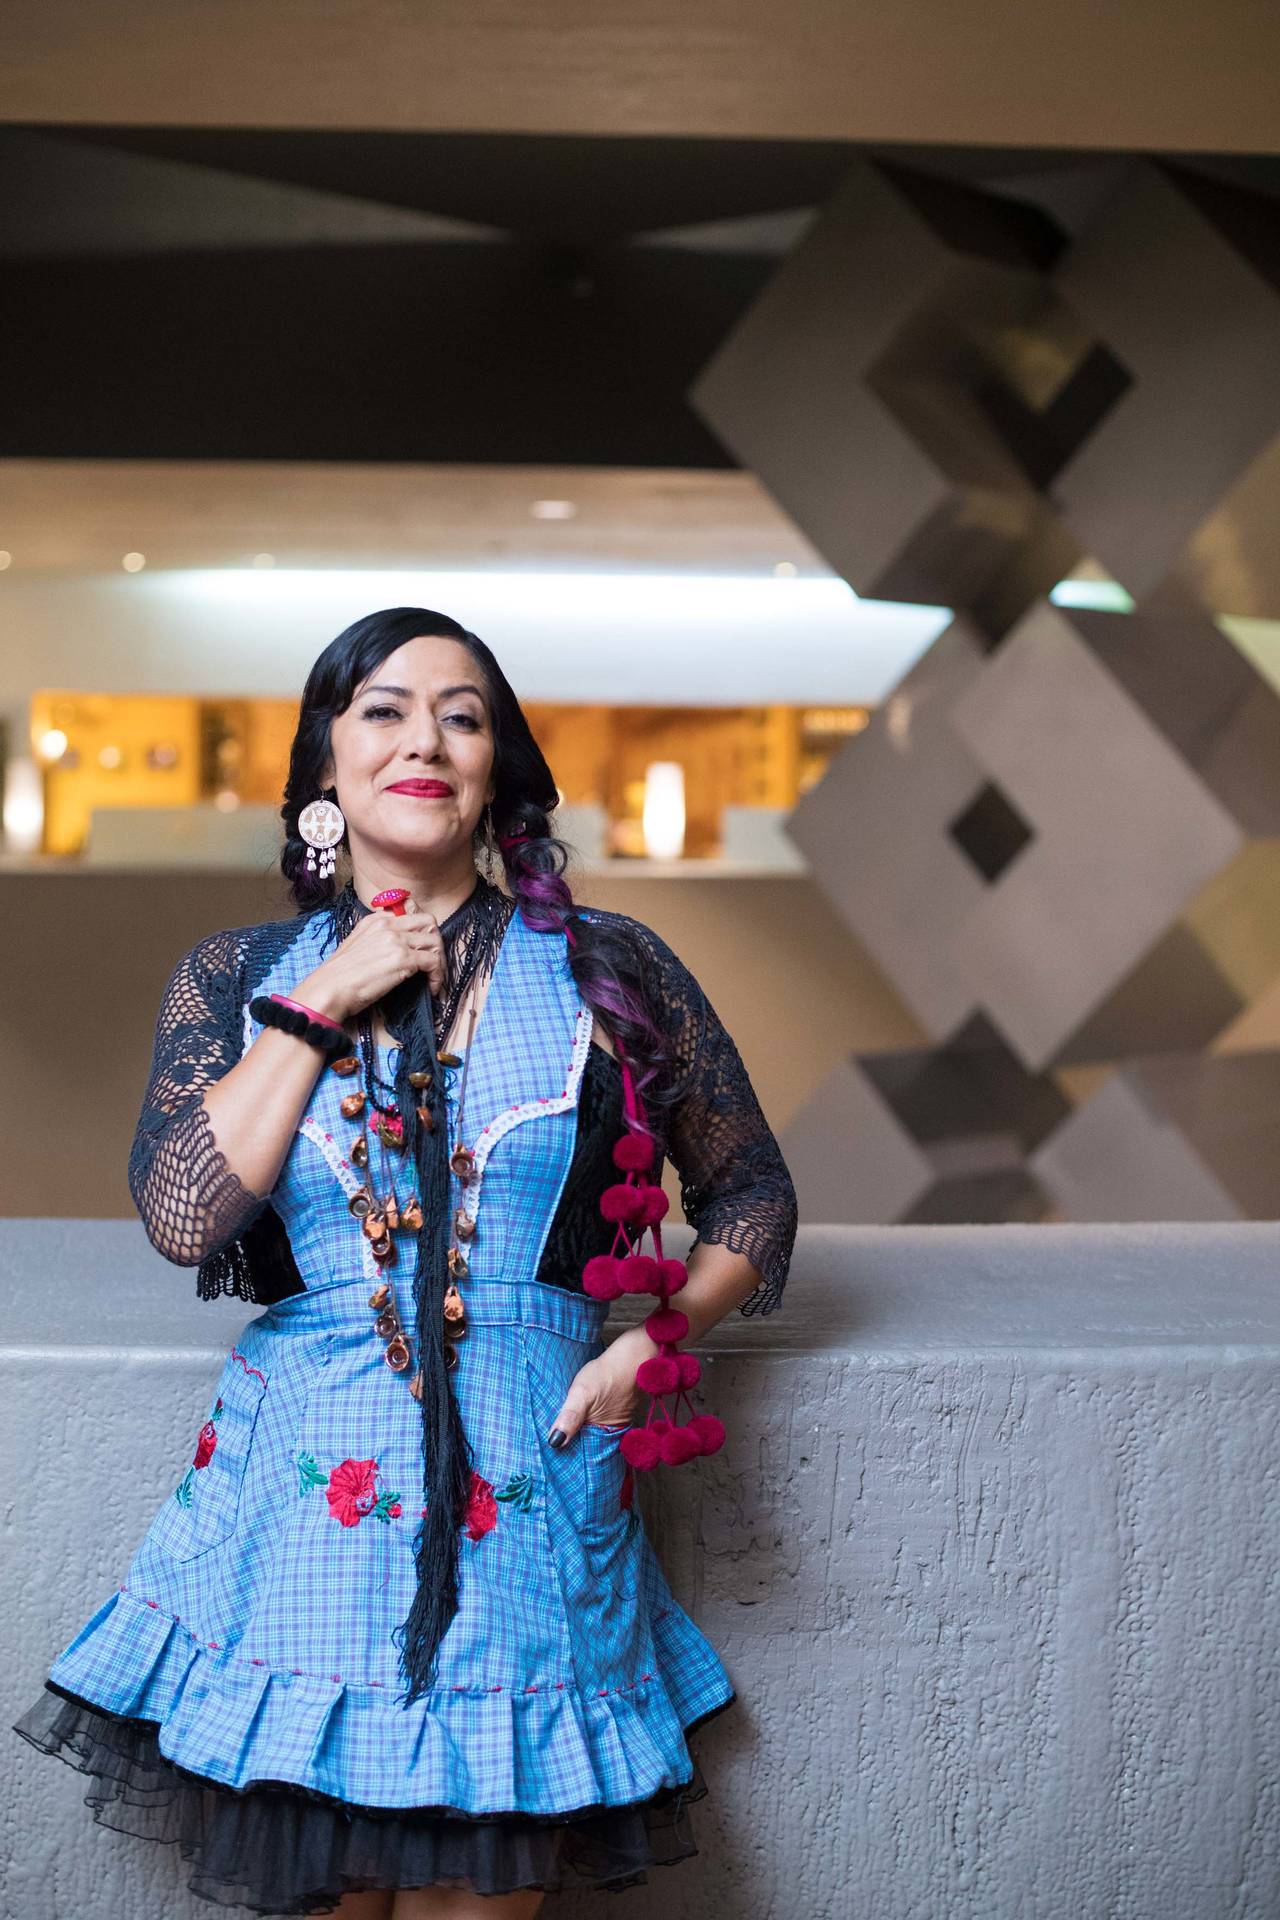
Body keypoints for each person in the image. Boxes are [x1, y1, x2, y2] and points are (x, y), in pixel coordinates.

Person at [12, 606, 798, 1918]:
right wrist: (327, 994)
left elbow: (752, 1194)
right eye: (383, 709)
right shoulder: (241, 974)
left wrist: (652, 1348)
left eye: (461, 716)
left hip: (533, 1479)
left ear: (497, 768)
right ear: (326, 763)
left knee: (478, 1898)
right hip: (306, 1493)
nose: (422, 740)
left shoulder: (607, 966)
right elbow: (185, 1216)